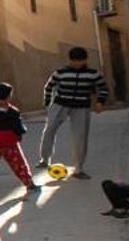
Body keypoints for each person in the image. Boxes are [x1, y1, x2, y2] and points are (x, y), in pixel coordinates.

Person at [40, 47, 109, 178]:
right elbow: (49, 87)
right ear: (70, 60)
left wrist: (100, 102)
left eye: (80, 61)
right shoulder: (60, 73)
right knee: (49, 129)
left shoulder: (93, 74)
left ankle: (78, 169)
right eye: (75, 61)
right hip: (60, 104)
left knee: (80, 137)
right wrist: (48, 103)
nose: (77, 64)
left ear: (85, 60)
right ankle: (44, 159)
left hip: (81, 106)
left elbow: (103, 88)